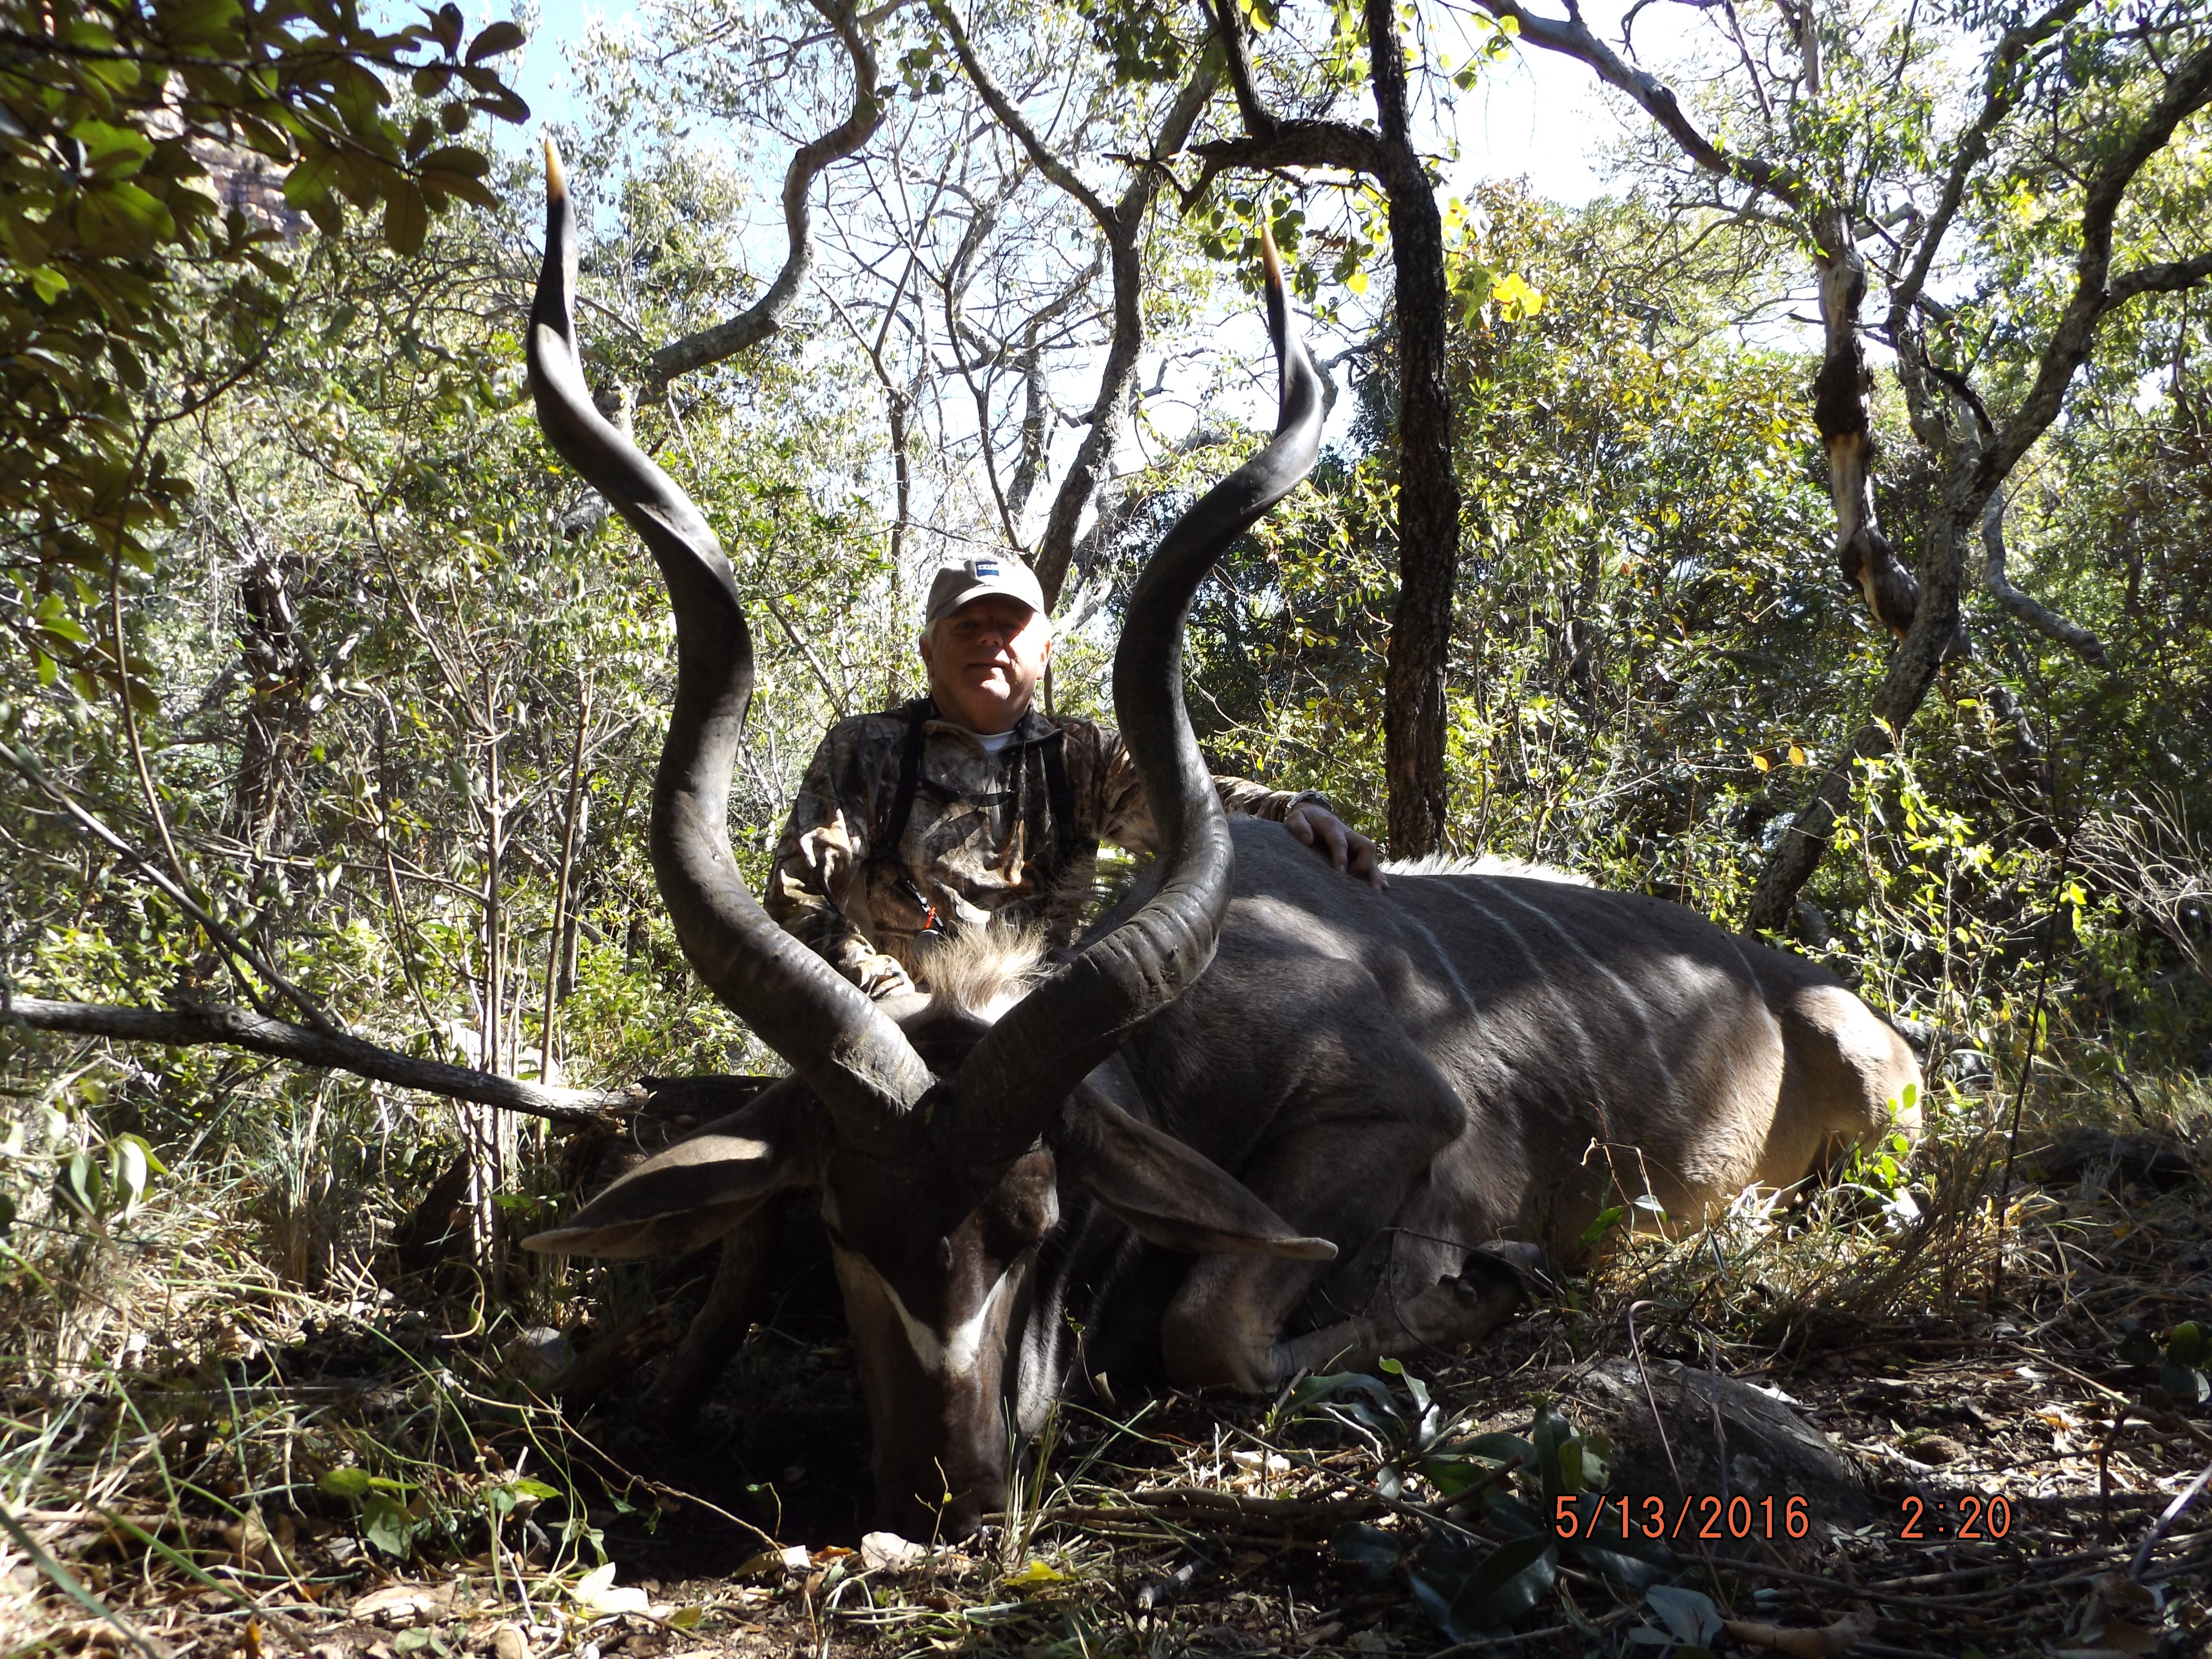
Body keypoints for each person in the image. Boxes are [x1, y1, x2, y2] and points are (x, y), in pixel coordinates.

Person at [766, 553, 1387, 998]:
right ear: (929, 650)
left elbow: (1193, 804)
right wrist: (884, 998)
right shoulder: (867, 749)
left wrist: (1288, 812)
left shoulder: (1082, 755)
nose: (990, 641)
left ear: (1042, 651)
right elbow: (798, 895)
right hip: (896, 1027)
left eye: (1009, 627)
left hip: (1041, 1035)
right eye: (966, 627)